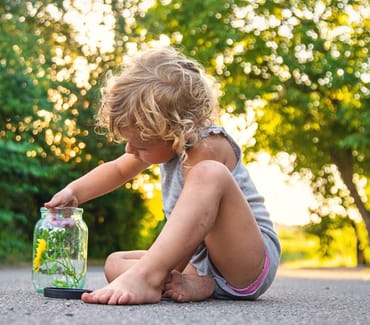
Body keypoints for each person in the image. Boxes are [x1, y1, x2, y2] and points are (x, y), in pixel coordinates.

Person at [44, 46, 281, 305]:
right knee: (115, 263)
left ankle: (153, 279)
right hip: (201, 264)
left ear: (177, 132)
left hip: (246, 261)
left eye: (141, 146)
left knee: (209, 174)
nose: (130, 150)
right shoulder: (162, 145)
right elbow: (117, 169)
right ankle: (199, 284)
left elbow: (193, 230)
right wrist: (74, 192)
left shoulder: (208, 147)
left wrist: (155, 272)